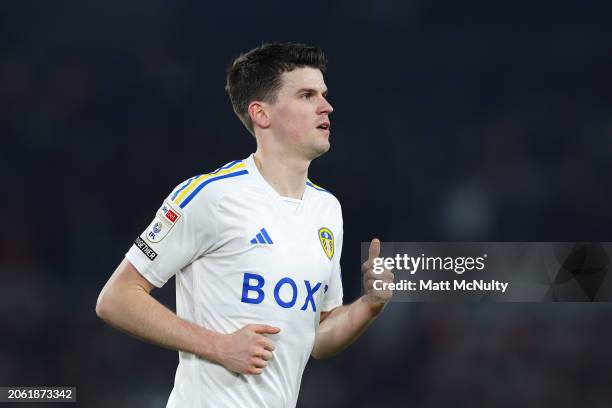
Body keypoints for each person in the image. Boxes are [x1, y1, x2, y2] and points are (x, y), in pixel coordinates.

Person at [96, 42, 394, 408]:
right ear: (261, 114)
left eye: (324, 94)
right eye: (306, 95)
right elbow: (116, 299)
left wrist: (369, 306)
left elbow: (317, 339)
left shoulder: (327, 210)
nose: (326, 106)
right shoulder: (210, 196)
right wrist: (219, 346)